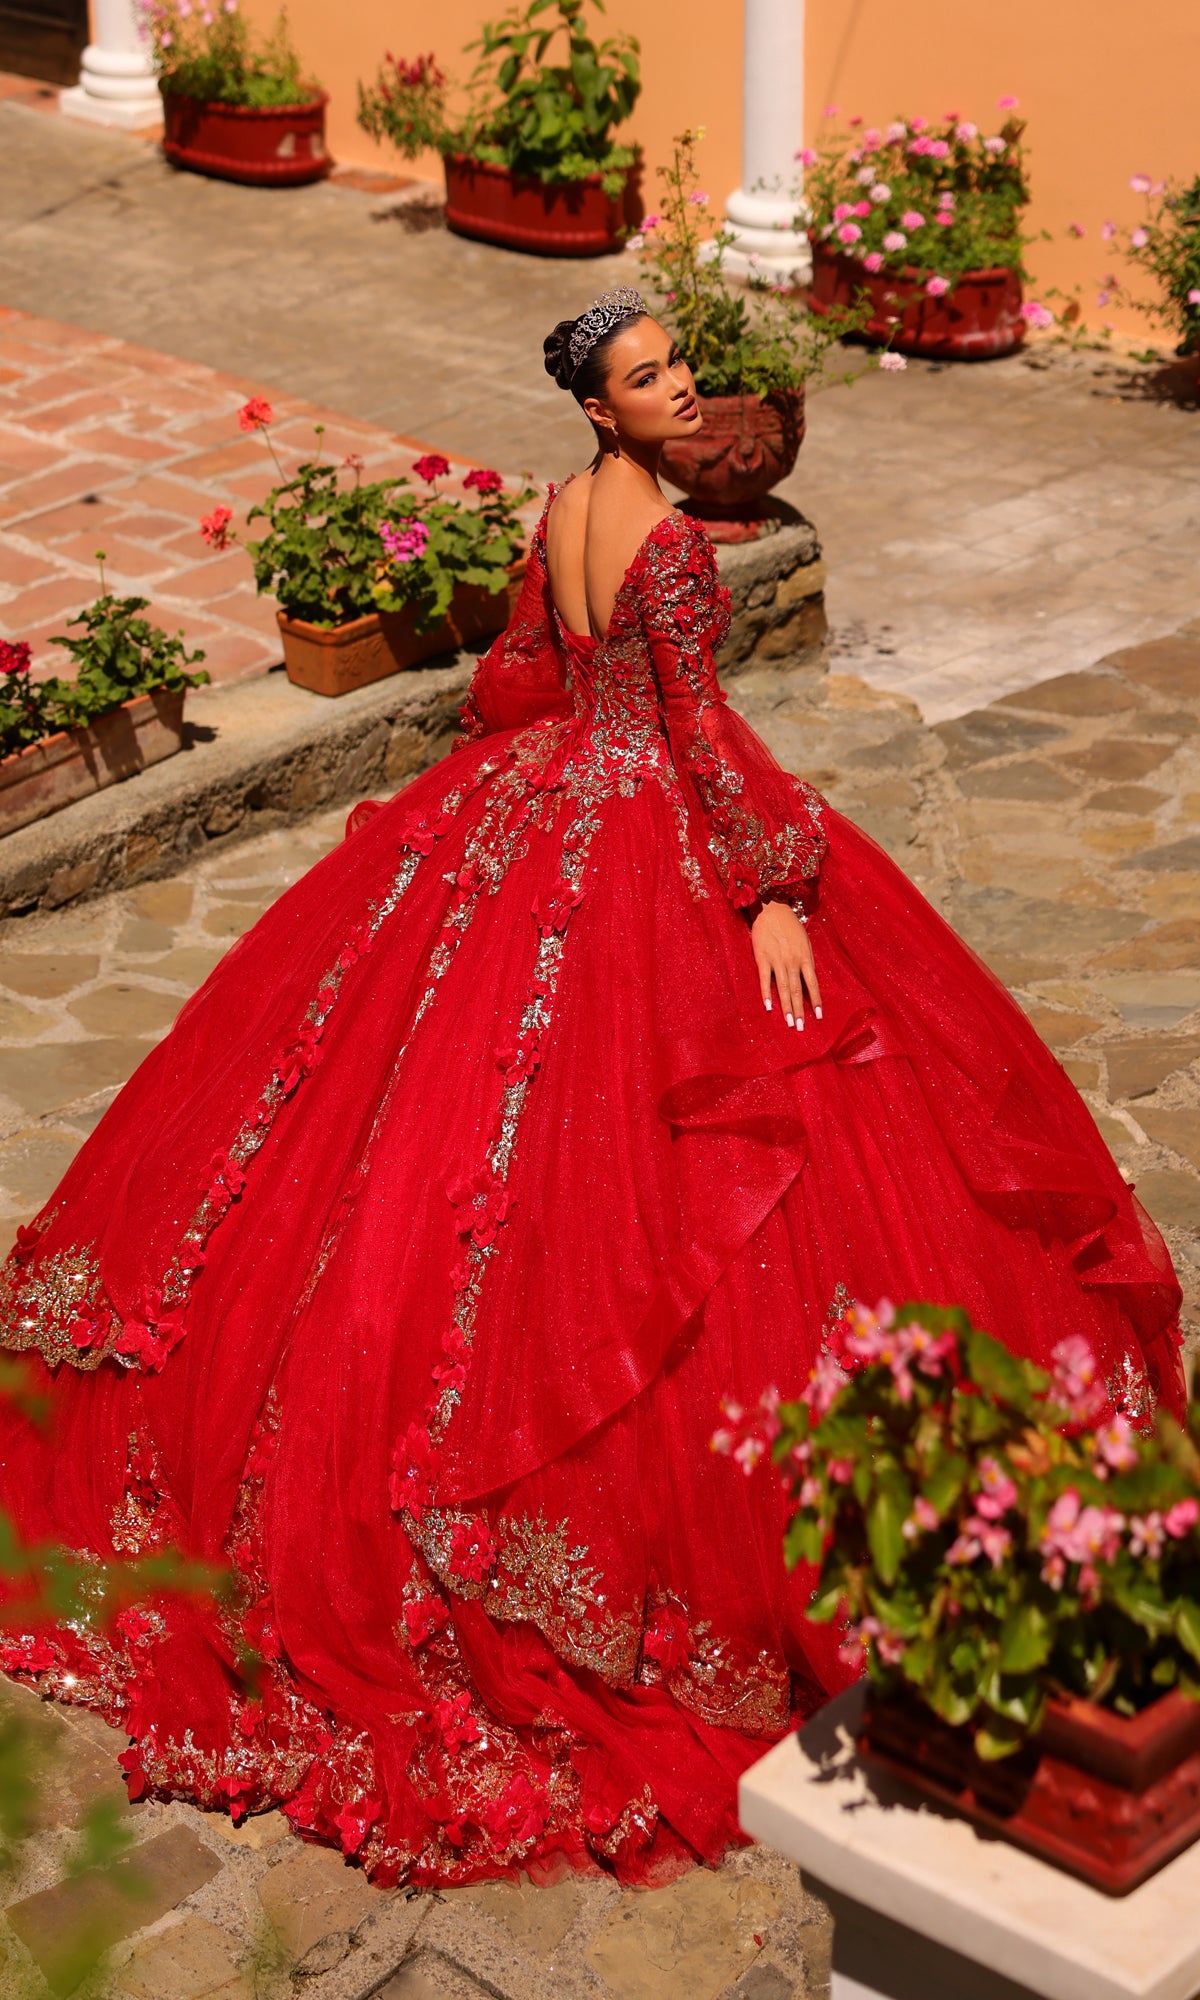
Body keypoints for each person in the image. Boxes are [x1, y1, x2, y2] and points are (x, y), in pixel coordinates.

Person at [0, 288, 1182, 1890]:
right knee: (703, 1175)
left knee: (417, 1132)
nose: (681, 394)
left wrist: (564, 748)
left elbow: (513, 685)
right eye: (648, 382)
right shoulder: (680, 550)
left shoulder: (559, 514)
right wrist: (769, 879)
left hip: (537, 803)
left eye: (679, 367)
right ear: (595, 408)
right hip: (648, 826)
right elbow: (697, 726)